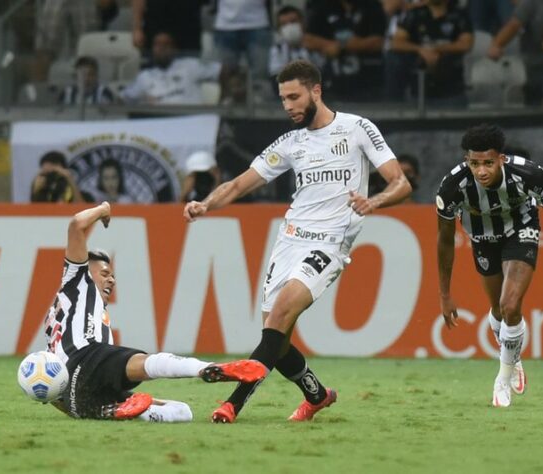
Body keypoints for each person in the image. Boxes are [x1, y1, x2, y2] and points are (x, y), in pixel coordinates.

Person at [183, 59, 412, 423]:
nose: (288, 106)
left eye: (294, 97)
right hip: (289, 241)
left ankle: (232, 403)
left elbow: (401, 183)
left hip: (330, 243)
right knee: (277, 337)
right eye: (282, 99)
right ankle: (317, 396)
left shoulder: (357, 128)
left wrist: (374, 201)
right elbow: (241, 183)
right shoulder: (291, 142)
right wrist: (206, 204)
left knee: (281, 314)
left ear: (315, 91)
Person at [44, 202, 267, 421]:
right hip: (87, 358)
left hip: (78, 396)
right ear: (84, 269)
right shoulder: (76, 280)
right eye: (105, 273)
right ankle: (207, 369)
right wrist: (103, 208)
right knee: (146, 362)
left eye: (112, 275)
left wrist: (72, 404)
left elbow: (54, 390)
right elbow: (76, 225)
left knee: (181, 411)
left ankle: (111, 412)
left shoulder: (62, 320)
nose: (112, 279)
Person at [436, 124, 543, 408]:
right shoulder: (452, 186)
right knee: (498, 309)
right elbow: (446, 242)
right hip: (482, 239)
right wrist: (445, 294)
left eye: (488, 162)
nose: (481, 171)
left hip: (521, 230)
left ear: (502, 159)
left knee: (511, 305)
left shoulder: (530, 175)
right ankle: (514, 356)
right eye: (474, 163)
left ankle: (502, 378)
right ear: (467, 161)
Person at [487, 0, 543, 105]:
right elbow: (514, 25)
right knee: (537, 109)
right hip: (537, 68)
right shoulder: (531, 2)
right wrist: (497, 44)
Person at [390, 0, 473, 106]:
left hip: (452, 90)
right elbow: (396, 43)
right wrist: (420, 49)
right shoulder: (414, 14)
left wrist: (435, 49)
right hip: (418, 89)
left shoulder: (460, 14)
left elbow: (466, 44)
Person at [303, 0, 387, 102]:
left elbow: (378, 42)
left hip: (369, 81)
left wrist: (343, 47)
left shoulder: (372, 6)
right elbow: (308, 40)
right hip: (333, 82)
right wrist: (329, 46)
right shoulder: (323, 6)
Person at [120, 31, 222, 105]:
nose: (162, 48)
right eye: (157, 44)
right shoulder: (144, 76)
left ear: (175, 49)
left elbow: (222, 71)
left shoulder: (191, 65)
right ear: (152, 50)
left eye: (166, 44)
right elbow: (125, 99)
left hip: (193, 120)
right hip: (159, 124)